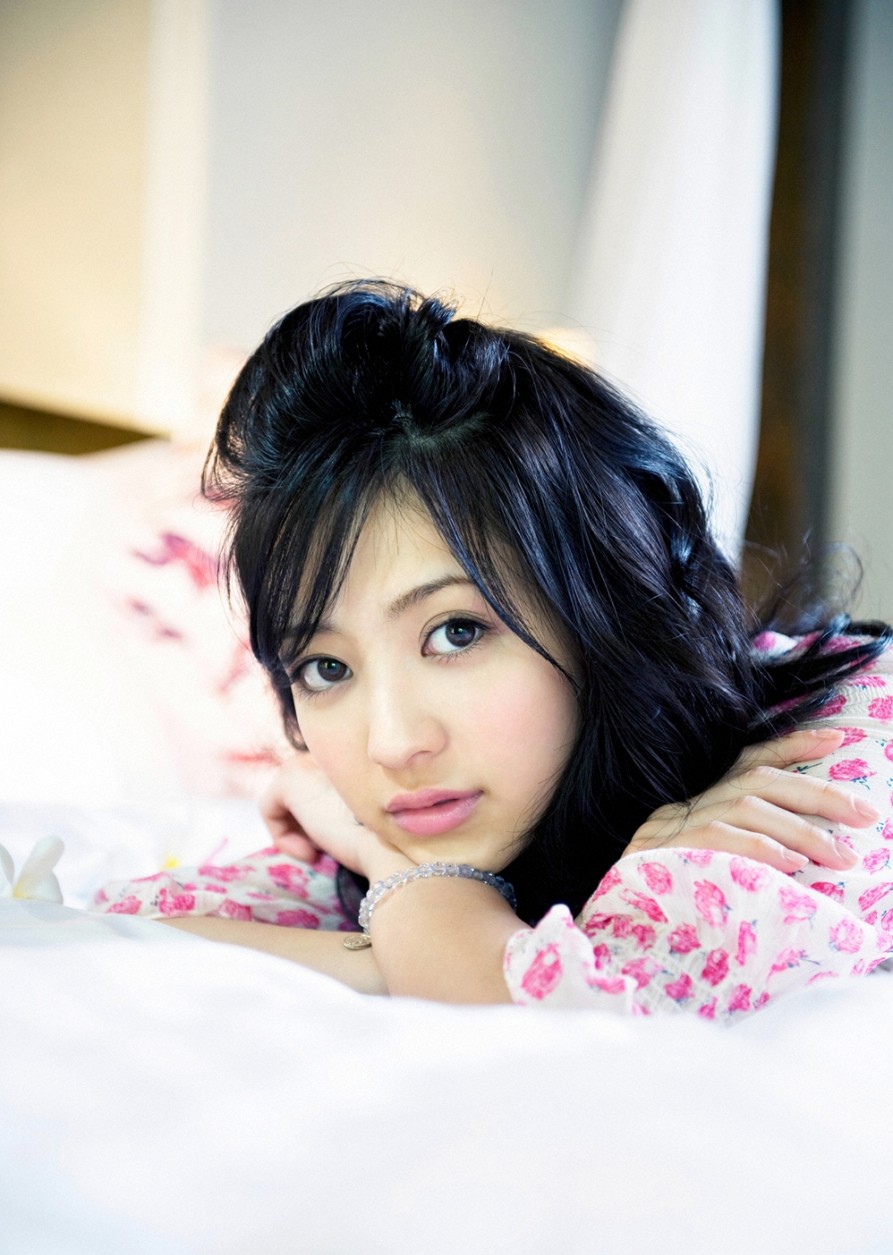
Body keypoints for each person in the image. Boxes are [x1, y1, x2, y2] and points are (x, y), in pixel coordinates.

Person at [92, 281, 893, 1020]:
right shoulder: (416, 820)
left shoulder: (833, 752)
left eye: (455, 633)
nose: (392, 745)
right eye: (326, 669)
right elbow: (117, 931)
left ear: (599, 607)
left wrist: (413, 902)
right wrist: (406, 894)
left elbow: (576, 1024)